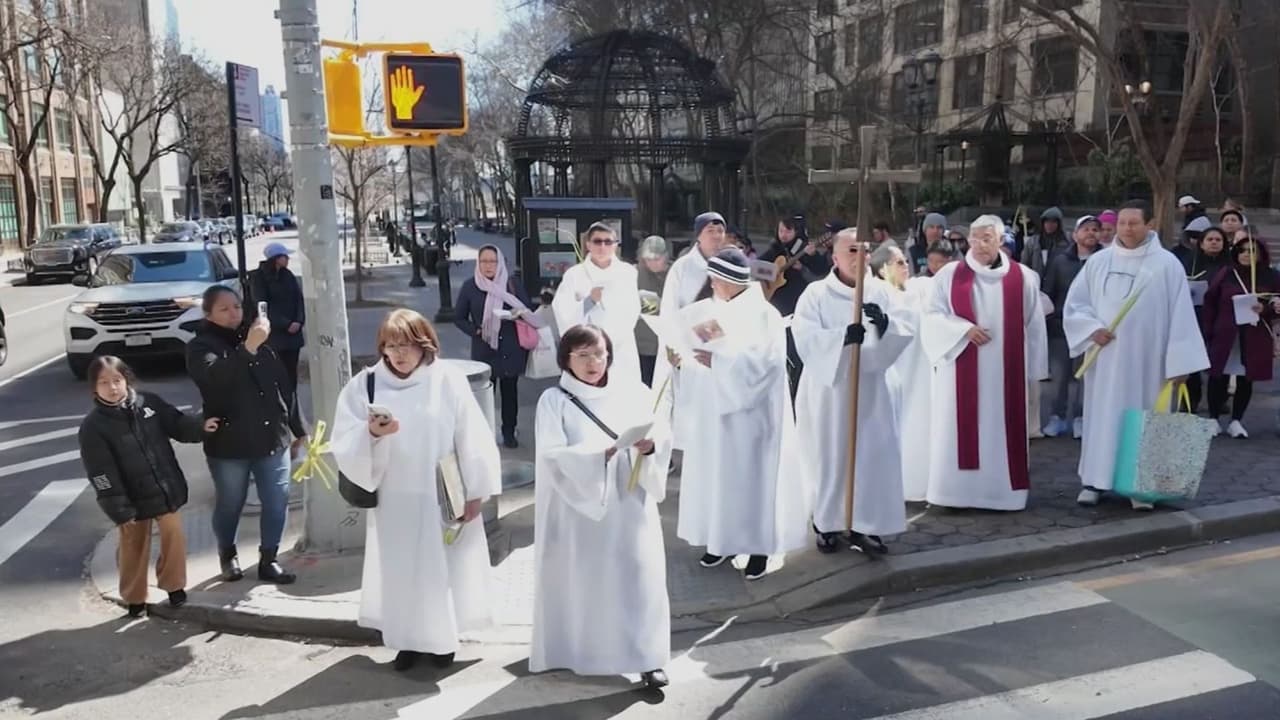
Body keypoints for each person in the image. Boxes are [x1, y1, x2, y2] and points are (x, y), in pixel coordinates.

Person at [330, 309, 500, 672]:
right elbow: (343, 439)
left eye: (407, 345)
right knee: (400, 572)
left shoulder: (446, 380)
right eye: (391, 346)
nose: (399, 354)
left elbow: (472, 436)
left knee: (441, 570)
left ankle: (441, 641)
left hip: (440, 492)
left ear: (425, 346)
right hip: (394, 498)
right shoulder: (366, 384)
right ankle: (406, 641)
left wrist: (477, 491)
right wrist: (372, 434)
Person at [530, 324, 671, 690]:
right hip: (579, 509)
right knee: (585, 581)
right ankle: (575, 650)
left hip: (629, 500)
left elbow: (660, 432)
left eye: (600, 354)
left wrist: (651, 447)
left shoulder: (632, 391)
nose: (594, 362)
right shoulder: (555, 401)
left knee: (638, 579)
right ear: (567, 359)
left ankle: (647, 658)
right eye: (583, 355)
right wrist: (598, 455)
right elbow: (551, 456)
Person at [670, 248, 807, 581]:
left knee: (753, 481)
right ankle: (722, 541)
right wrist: (685, 360)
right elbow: (697, 355)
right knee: (717, 478)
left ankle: (758, 548)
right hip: (715, 412)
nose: (713, 284)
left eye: (717, 279)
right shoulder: (708, 311)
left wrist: (720, 362)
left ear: (733, 281)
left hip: (753, 417)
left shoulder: (765, 315)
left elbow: (767, 366)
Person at [1064, 200, 1209, 509]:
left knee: (1145, 420)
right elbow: (1076, 305)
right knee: (1101, 419)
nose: (1127, 229)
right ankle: (1095, 480)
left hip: (1149, 363)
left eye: (1134, 223)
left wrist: (1181, 362)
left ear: (1149, 224)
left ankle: (1140, 485)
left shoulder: (1167, 265)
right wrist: (1091, 329)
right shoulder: (1099, 262)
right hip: (1106, 362)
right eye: (1122, 223)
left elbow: (1181, 315)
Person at [794, 230, 912, 553]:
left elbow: (905, 328)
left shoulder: (883, 292)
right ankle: (827, 521)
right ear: (834, 258)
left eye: (863, 251)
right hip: (829, 390)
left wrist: (886, 326)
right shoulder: (816, 295)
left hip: (871, 389)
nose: (858, 257)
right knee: (830, 455)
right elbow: (804, 336)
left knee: (870, 456)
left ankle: (866, 523)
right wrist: (841, 338)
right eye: (850, 250)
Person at [921, 215, 1048, 511]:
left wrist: (1035, 369)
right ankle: (955, 494)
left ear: (1001, 241)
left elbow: (1034, 324)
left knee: (1004, 430)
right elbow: (931, 315)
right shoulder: (951, 275)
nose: (978, 245)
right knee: (960, 430)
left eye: (986, 238)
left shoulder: (1022, 277)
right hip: (961, 368)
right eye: (974, 238)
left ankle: (1003, 495)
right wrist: (962, 329)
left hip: (1008, 375)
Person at [79, 356, 218, 617]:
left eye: (117, 380)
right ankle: (134, 598)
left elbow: (176, 423)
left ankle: (174, 586)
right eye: (104, 382)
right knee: (134, 547)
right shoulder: (93, 427)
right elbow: (100, 473)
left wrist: (200, 427)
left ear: (127, 380)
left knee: (174, 537)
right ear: (94, 388)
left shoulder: (148, 403)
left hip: (164, 488)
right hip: (130, 500)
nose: (112, 387)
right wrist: (119, 508)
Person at [187, 285, 306, 584]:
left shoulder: (258, 338)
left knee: (276, 500)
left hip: (272, 438)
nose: (233, 314)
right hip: (230, 442)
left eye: (237, 307)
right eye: (224, 309)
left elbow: (284, 387)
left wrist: (298, 429)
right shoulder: (201, 346)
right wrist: (248, 349)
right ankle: (228, 554)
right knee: (231, 502)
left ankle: (269, 558)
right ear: (208, 313)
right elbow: (215, 379)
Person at [454, 244, 538, 448]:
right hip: (485, 348)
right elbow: (459, 317)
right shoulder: (470, 286)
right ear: (478, 263)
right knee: (485, 394)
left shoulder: (512, 284)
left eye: (493, 261)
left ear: (500, 263)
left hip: (510, 347)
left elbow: (527, 309)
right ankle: (483, 434)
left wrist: (518, 313)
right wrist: (476, 330)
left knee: (510, 393)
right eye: (484, 261)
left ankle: (509, 432)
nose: (488, 266)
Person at [658, 211, 730, 449]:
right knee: (692, 410)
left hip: (722, 349)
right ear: (698, 235)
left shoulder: (730, 262)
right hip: (691, 348)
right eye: (711, 231)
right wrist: (673, 346)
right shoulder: (683, 267)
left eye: (720, 231)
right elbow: (669, 311)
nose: (717, 236)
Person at [1201, 239, 1280, 438]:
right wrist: (1208, 330)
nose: (1246, 254)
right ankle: (1213, 418)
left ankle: (1237, 420)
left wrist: (1266, 309)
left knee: (1246, 378)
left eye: (1251, 251)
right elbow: (1210, 302)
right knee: (1218, 376)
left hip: (1254, 336)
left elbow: (1277, 306)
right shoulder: (1227, 273)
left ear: (1260, 254)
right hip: (1225, 334)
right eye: (1242, 250)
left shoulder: (1271, 276)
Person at [552, 222, 642, 388]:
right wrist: (588, 302)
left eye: (608, 242)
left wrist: (609, 342)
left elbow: (632, 310)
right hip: (586, 349)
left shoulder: (627, 273)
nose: (602, 246)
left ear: (615, 245)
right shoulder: (575, 274)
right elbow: (562, 310)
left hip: (620, 346)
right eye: (597, 241)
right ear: (588, 244)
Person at [1041, 215, 1100, 439]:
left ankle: (1081, 418)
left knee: (1086, 377)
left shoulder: (1103, 260)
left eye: (1095, 229)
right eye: (1086, 229)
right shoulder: (1060, 260)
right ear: (1075, 234)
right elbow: (1049, 292)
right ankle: (1057, 416)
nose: (1091, 233)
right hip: (1061, 328)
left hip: (1092, 330)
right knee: (1060, 377)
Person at [1181, 226, 1231, 412]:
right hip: (1195, 317)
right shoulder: (1190, 262)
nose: (1214, 243)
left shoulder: (1230, 266)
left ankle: (1218, 402)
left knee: (1219, 362)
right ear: (1201, 244)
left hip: (1221, 319)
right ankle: (1191, 400)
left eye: (1218, 240)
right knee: (1192, 361)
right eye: (1209, 239)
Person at [248, 242, 306, 392]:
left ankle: (293, 408)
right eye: (285, 256)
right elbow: (262, 305)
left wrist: (298, 321)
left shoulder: (288, 275)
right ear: (276, 258)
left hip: (293, 336)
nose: (288, 260)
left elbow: (299, 299)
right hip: (275, 335)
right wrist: (285, 324)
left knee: (291, 374)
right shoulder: (259, 278)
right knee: (277, 374)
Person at [757, 214, 814, 317]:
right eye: (781, 231)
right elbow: (756, 268)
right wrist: (773, 272)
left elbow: (817, 274)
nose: (783, 235)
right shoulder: (775, 248)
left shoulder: (803, 247)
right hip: (775, 299)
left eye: (788, 231)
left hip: (797, 298)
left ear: (795, 232)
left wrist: (802, 267)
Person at [635, 235, 670, 386]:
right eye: (648, 259)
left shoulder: (676, 273)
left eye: (657, 259)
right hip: (642, 347)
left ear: (666, 257)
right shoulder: (635, 274)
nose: (653, 263)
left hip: (668, 348)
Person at [1020, 207, 1068, 278]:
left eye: (1053, 222)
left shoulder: (1065, 244)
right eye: (1047, 221)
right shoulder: (1033, 242)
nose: (1049, 225)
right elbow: (1024, 264)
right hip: (1035, 281)